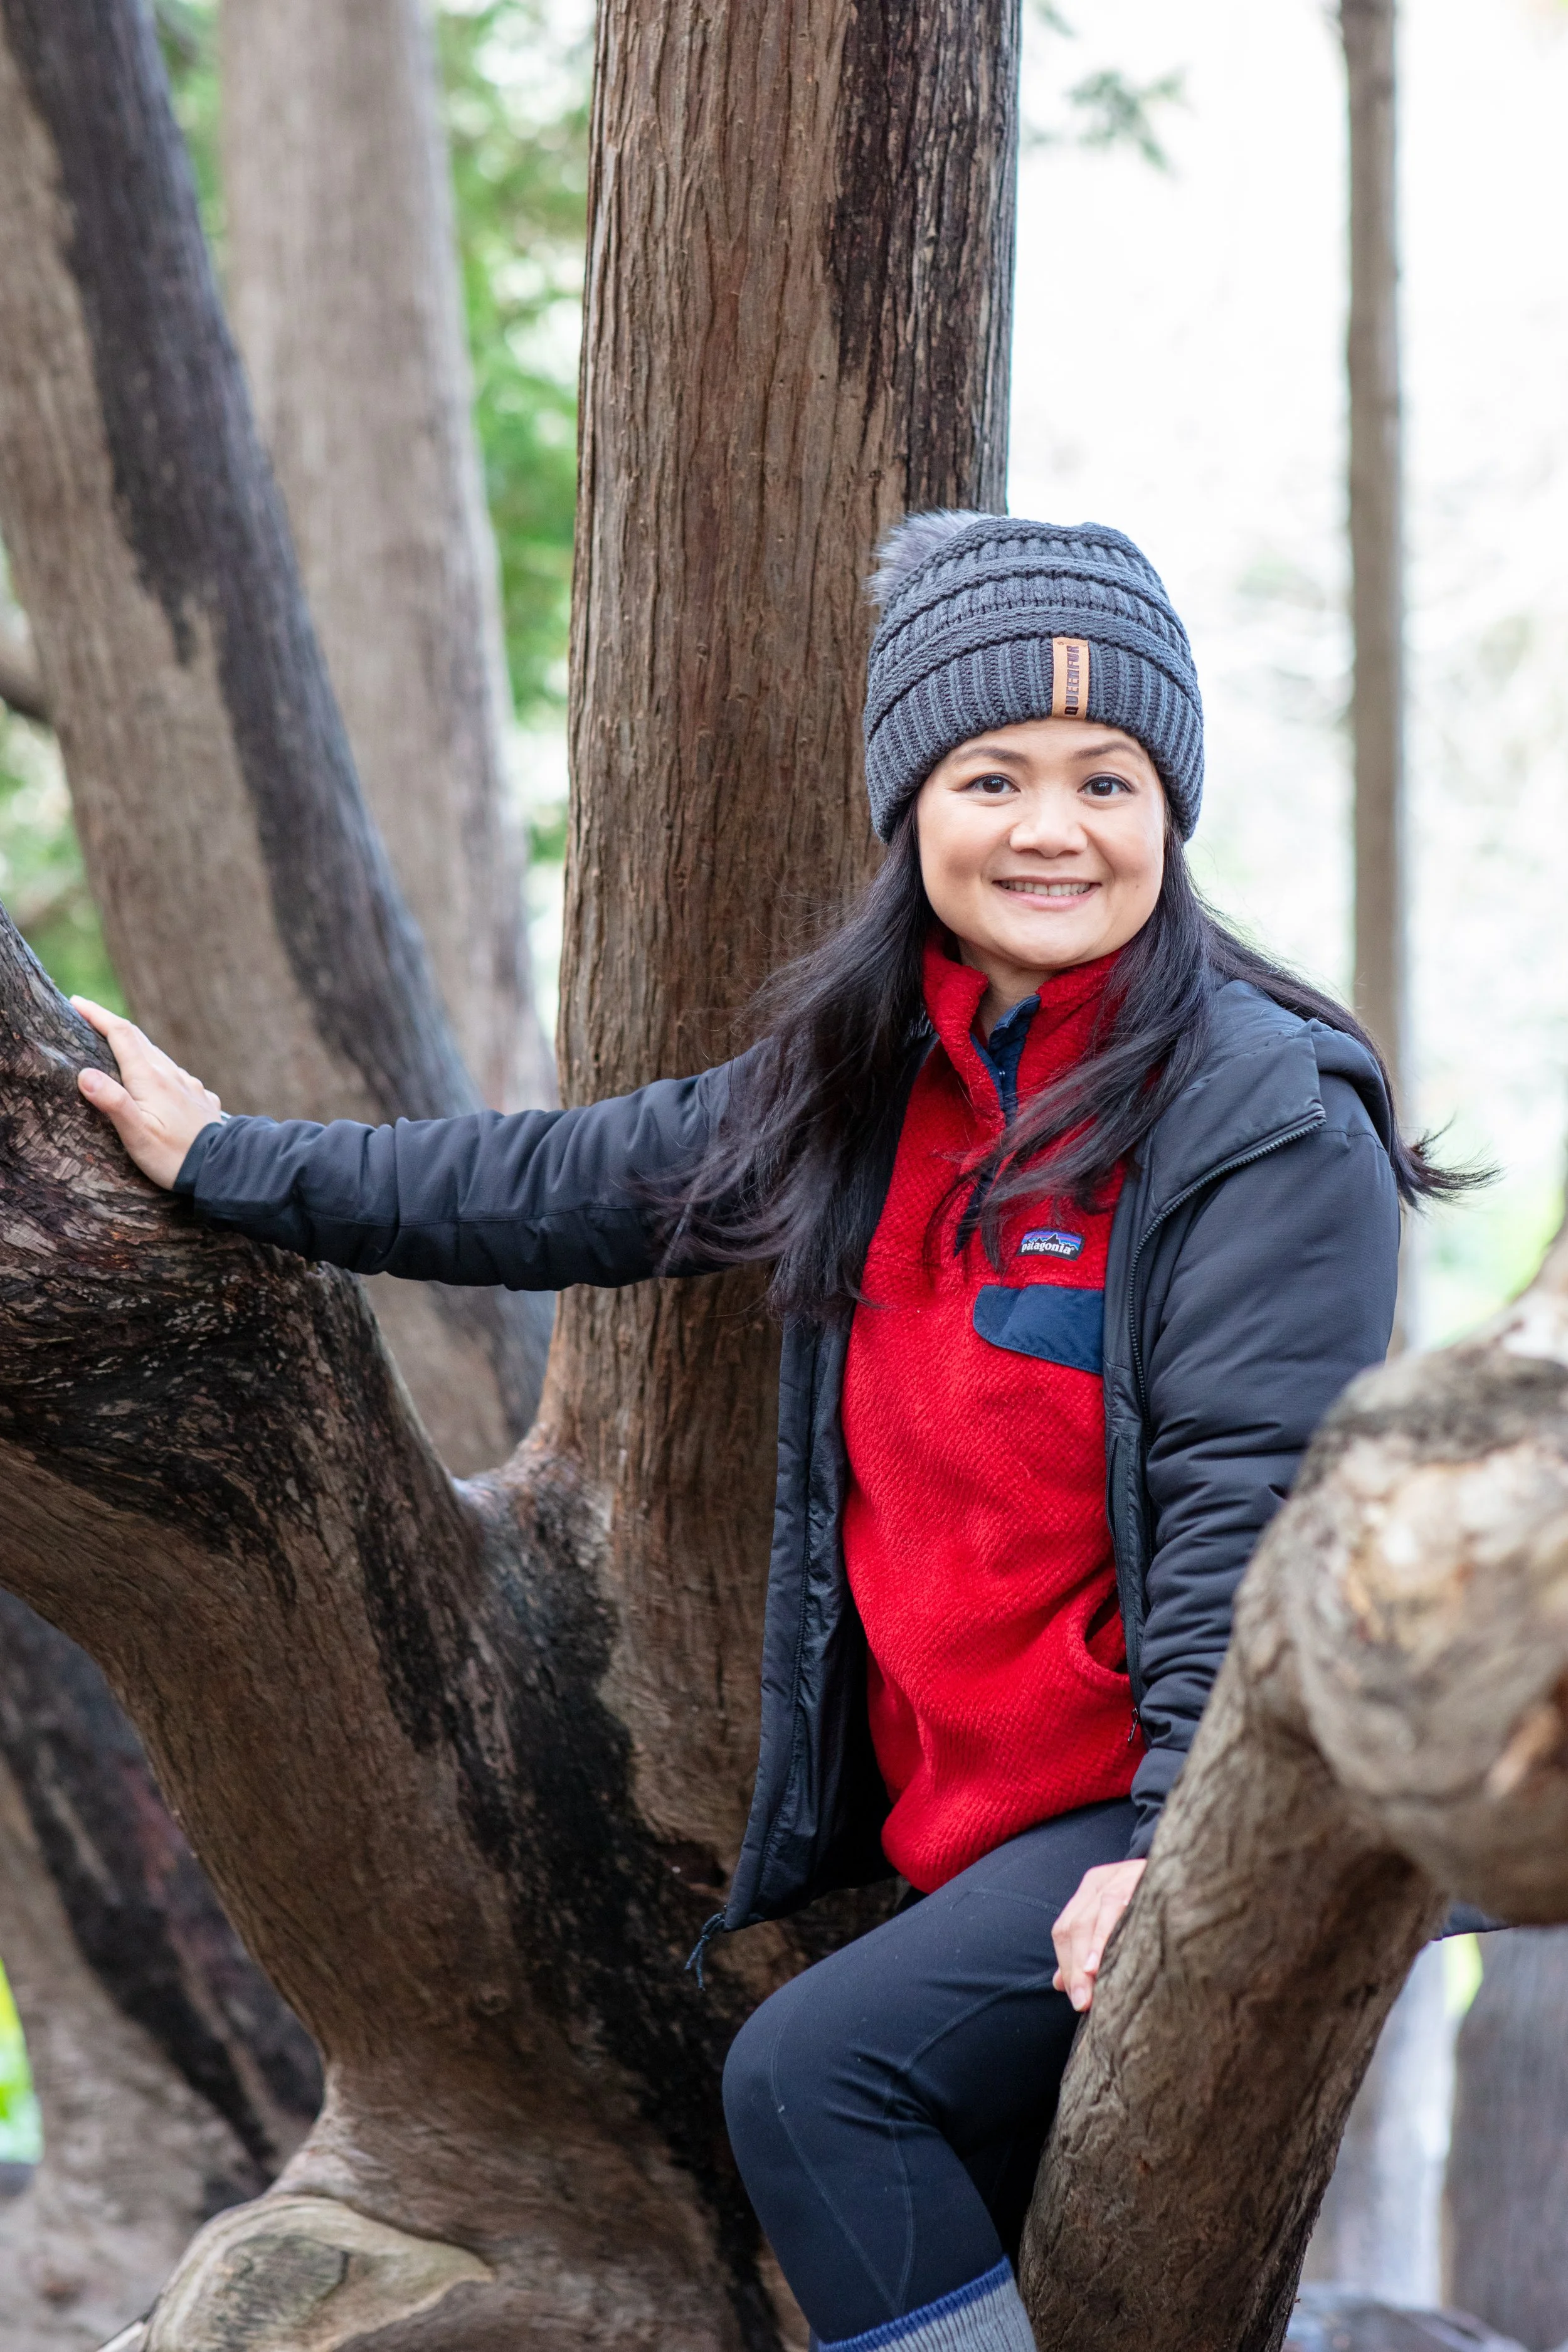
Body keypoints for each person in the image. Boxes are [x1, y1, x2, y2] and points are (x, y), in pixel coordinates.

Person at [73, 513, 1464, 2352]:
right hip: (972, 1836)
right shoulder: (876, 1076)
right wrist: (232, 1162)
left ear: (1167, 807)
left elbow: (1250, 1501)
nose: (1052, 827)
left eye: (1104, 778)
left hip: (1170, 1807)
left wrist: (1165, 1846)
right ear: (912, 807)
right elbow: (552, 1179)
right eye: (994, 774)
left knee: (817, 2077)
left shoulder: (1260, 1118)